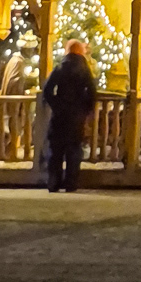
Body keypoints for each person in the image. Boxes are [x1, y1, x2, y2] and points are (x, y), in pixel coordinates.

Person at [42, 38, 97, 193]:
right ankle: (71, 184)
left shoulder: (61, 67)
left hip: (60, 116)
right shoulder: (84, 69)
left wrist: (56, 104)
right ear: (81, 52)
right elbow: (92, 92)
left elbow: (47, 90)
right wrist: (85, 110)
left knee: (56, 150)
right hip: (76, 116)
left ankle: (53, 183)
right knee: (73, 150)